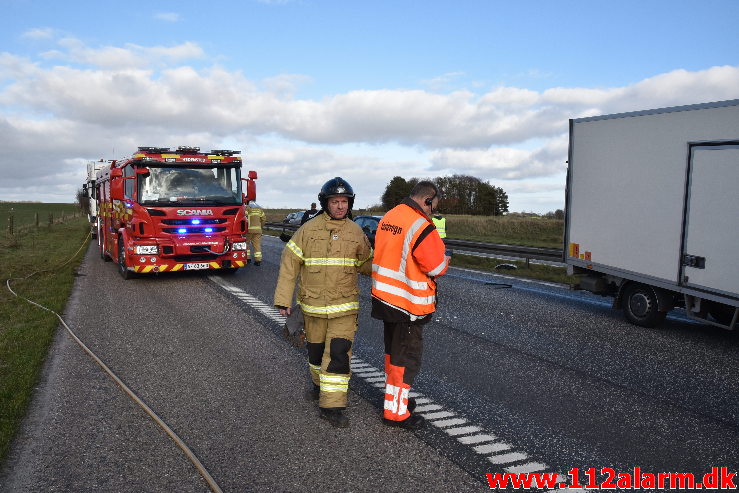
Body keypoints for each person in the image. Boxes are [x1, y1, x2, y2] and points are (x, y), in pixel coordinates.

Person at [274, 177, 373, 428]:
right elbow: (289, 263)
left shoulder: (356, 232)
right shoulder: (308, 230)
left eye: (344, 202)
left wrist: (389, 262)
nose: (340, 206)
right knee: (316, 354)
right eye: (335, 201)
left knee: (338, 355)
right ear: (325, 203)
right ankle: (319, 387)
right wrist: (283, 299)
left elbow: (365, 264)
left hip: (344, 308)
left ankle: (333, 406)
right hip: (313, 307)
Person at [371, 181, 450, 430]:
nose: (433, 211)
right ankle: (396, 413)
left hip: (386, 299)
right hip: (408, 304)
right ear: (428, 200)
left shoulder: (391, 216)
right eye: (434, 205)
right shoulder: (421, 225)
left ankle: (396, 400)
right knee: (405, 360)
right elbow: (436, 267)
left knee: (393, 357)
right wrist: (446, 260)